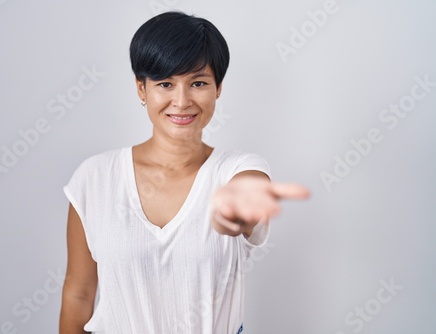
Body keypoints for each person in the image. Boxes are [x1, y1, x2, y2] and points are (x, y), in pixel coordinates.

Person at [59, 11, 309, 334]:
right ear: (141, 89)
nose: (182, 101)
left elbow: (246, 195)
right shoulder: (93, 178)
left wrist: (233, 212)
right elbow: (79, 294)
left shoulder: (239, 170)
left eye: (198, 83)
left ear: (218, 88)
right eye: (165, 84)